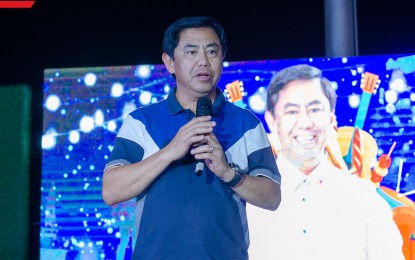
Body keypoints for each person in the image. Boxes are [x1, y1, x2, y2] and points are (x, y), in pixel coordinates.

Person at [102, 16, 281, 259]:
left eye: (212, 51)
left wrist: (229, 173)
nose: (204, 62)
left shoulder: (246, 124)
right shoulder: (142, 121)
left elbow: (272, 198)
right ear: (170, 62)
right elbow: (111, 191)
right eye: (191, 52)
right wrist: (170, 151)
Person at [247, 64, 404, 260]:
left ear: (330, 119)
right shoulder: (245, 204)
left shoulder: (366, 200)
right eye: (292, 111)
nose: (305, 123)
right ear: (271, 121)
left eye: (315, 109)